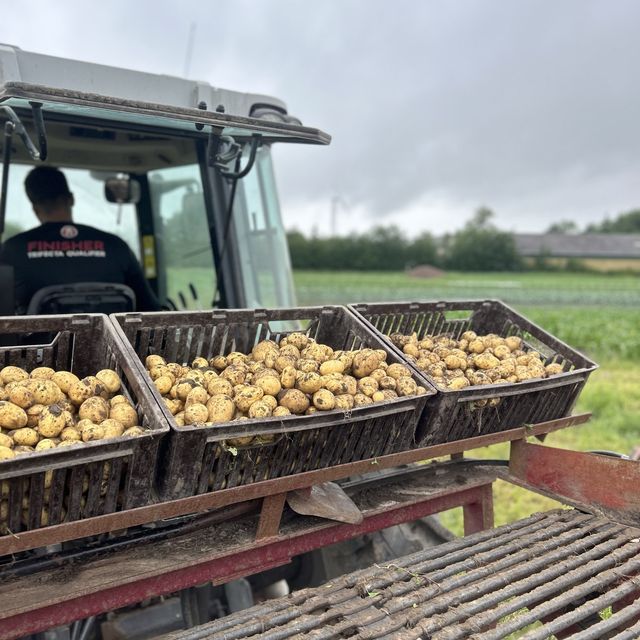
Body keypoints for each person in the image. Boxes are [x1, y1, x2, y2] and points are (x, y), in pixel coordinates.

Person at [0, 166, 161, 314]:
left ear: (35, 208)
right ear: (71, 199)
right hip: (112, 345)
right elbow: (150, 310)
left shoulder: (12, 250)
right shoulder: (116, 246)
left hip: (39, 345)